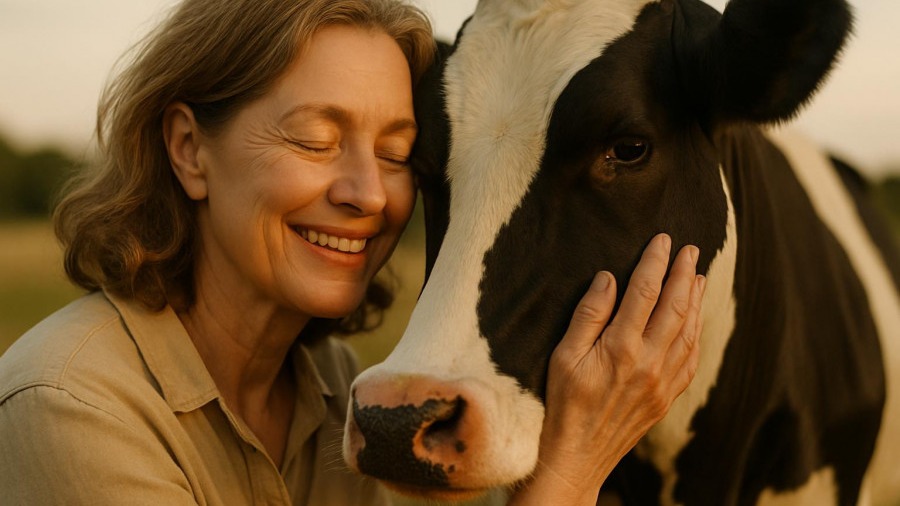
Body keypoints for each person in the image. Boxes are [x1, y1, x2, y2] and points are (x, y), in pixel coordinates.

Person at [0, 0, 705, 504]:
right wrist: (573, 473)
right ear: (189, 150)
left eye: (399, 153)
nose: (369, 194)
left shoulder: (346, 393)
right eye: (314, 140)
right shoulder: (72, 407)